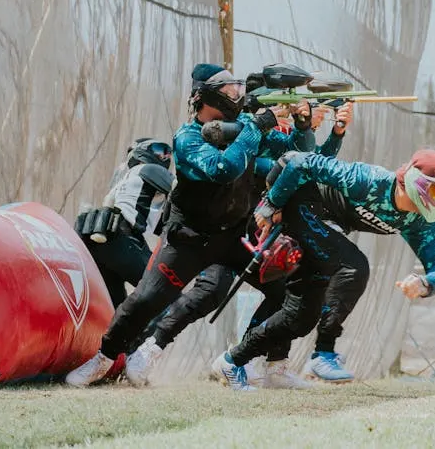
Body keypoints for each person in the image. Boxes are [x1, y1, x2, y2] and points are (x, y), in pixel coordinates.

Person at [65, 63, 304, 388]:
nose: (235, 96)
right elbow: (224, 168)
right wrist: (255, 127)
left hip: (234, 237)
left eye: (236, 89)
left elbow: (286, 155)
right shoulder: (187, 138)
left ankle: (244, 362)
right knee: (145, 301)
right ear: (205, 97)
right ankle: (103, 358)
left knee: (286, 289)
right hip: (189, 240)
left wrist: (300, 123)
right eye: (227, 91)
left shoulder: (242, 129)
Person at [137, 99, 354, 389]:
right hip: (220, 231)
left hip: (253, 232)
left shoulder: (276, 137)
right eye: (282, 109)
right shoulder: (239, 131)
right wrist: (303, 135)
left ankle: (263, 363)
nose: (286, 116)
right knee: (209, 293)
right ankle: (151, 348)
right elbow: (275, 166)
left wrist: (332, 132)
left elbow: (311, 165)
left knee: (286, 291)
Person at [211, 149, 435, 390]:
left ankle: (239, 362)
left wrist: (425, 284)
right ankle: (324, 353)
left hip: (324, 228)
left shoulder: (421, 222)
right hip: (301, 204)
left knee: (301, 316)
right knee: (354, 267)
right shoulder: (368, 180)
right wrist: (270, 205)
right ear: (415, 182)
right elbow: (299, 161)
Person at [77, 139, 174, 307]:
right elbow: (182, 192)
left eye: (166, 153)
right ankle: (152, 334)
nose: (164, 157)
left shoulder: (126, 178)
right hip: (122, 237)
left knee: (115, 311)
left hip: (99, 239)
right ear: (142, 151)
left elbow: (162, 224)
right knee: (166, 291)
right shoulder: (150, 169)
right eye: (159, 150)